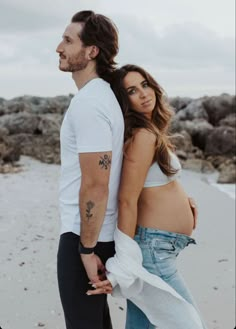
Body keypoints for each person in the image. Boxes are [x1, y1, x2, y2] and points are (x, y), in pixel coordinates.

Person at [88, 64, 207, 329]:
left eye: (145, 84)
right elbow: (126, 199)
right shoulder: (142, 136)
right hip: (152, 251)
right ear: (124, 100)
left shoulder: (149, 132)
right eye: (132, 90)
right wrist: (125, 260)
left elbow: (153, 186)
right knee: (189, 324)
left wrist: (186, 202)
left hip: (160, 248)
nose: (143, 93)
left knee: (144, 324)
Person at [56, 10, 124, 329]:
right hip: (98, 233)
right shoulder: (101, 97)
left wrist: (85, 249)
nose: (59, 47)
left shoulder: (90, 103)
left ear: (91, 51)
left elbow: (96, 184)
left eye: (68, 41)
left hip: (84, 236)